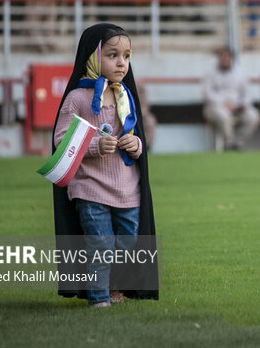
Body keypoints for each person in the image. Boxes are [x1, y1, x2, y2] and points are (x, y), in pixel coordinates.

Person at [52, 23, 158, 307]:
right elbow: (61, 141)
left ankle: (114, 287)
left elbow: (137, 136)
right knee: (101, 245)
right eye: (113, 55)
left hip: (127, 190)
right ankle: (99, 299)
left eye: (127, 56)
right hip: (90, 189)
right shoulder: (77, 99)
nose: (121, 63)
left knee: (126, 245)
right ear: (93, 57)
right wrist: (95, 146)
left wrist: (136, 146)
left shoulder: (125, 96)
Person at [203, 47, 260, 150]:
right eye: (222, 56)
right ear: (218, 58)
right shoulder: (210, 72)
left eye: (227, 56)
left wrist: (243, 104)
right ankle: (229, 143)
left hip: (237, 107)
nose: (225, 59)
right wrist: (224, 104)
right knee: (224, 115)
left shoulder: (240, 72)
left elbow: (247, 94)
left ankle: (238, 143)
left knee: (253, 116)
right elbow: (208, 94)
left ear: (232, 58)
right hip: (216, 107)